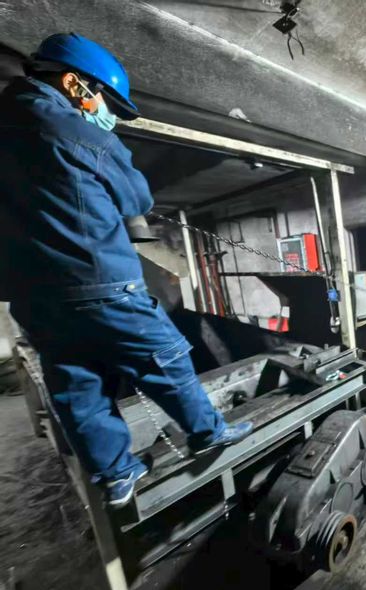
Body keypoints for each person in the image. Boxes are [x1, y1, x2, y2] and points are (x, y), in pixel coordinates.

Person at [0, 33, 253, 508]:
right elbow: (136, 198)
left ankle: (116, 475)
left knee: (76, 383)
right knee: (165, 358)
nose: (107, 114)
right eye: (106, 101)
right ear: (74, 84)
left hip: (32, 296)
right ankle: (208, 433)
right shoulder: (75, 129)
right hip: (101, 280)